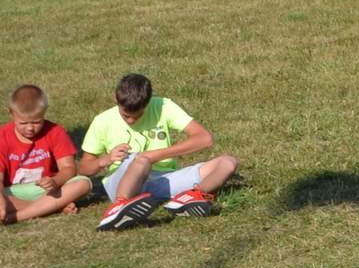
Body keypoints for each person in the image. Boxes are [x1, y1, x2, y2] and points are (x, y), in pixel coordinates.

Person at [78, 73, 238, 231]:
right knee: (141, 161)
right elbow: (84, 168)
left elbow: (204, 138)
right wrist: (105, 160)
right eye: (126, 116)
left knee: (228, 162)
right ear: (115, 98)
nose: (131, 121)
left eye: (138, 116)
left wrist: (156, 155)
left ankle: (194, 196)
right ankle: (120, 206)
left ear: (148, 102)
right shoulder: (102, 121)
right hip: (122, 183)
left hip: (163, 179)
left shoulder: (163, 105)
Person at [2, 84, 94, 224]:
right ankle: (52, 206)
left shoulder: (55, 132)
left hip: (49, 190)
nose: (30, 128)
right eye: (23, 123)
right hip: (14, 191)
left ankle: (17, 216)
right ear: (11, 113)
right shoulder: (2, 136)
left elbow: (69, 168)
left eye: (36, 122)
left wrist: (55, 181)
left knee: (83, 183)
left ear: (44, 112)